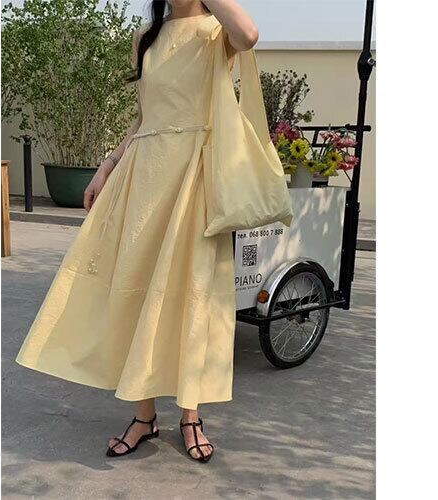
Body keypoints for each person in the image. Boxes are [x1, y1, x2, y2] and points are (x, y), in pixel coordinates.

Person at [16, 0, 290, 463]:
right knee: (135, 287)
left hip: (193, 180)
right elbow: (146, 118)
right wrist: (107, 165)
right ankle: (144, 415)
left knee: (192, 291)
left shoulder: (216, 31)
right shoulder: (146, 37)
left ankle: (190, 415)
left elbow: (248, 34)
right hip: (143, 176)